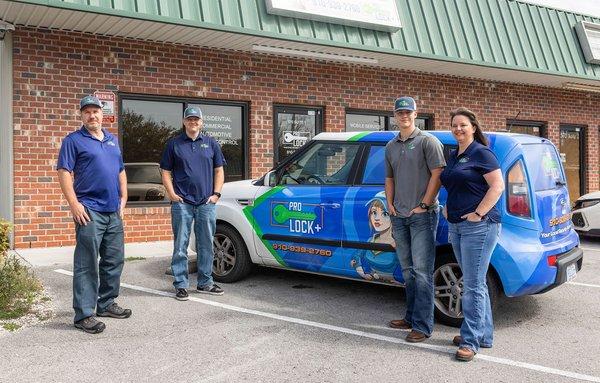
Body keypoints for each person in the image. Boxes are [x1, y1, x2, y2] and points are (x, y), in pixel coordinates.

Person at [57, 95, 131, 334]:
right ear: (81, 115)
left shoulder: (112, 140)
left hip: (113, 211)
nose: (92, 115)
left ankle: (106, 303)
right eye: (87, 112)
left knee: (114, 259)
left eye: (95, 111)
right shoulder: (73, 140)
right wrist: (74, 204)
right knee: (86, 263)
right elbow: (64, 172)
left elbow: (120, 170)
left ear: (102, 114)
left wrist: (124, 197)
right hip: (89, 209)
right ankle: (84, 314)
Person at [440, 107, 504, 362]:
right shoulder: (456, 154)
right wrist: (447, 208)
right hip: (457, 224)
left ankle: (470, 340)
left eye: (463, 125)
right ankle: (483, 334)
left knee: (474, 285)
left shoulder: (481, 153)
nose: (458, 129)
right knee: (475, 283)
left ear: (473, 127)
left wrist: (478, 213)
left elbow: (497, 186)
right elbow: (456, 184)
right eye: (454, 125)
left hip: (479, 226)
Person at [385, 96, 446, 343]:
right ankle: (410, 317)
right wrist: (389, 205)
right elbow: (389, 179)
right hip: (399, 216)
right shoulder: (391, 146)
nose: (404, 116)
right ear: (395, 115)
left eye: (408, 112)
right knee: (408, 271)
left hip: (422, 217)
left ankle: (423, 326)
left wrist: (424, 205)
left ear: (415, 113)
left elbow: (438, 174)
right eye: (400, 112)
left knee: (422, 272)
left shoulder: (427, 142)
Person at [160, 106, 225, 301]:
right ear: (184, 122)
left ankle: (205, 282)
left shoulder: (211, 143)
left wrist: (216, 195)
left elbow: (219, 170)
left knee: (206, 244)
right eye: (190, 119)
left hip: (206, 202)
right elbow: (165, 171)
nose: (193, 122)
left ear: (201, 122)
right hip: (182, 203)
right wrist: (171, 193)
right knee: (180, 245)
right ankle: (181, 285)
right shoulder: (174, 144)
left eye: (196, 119)